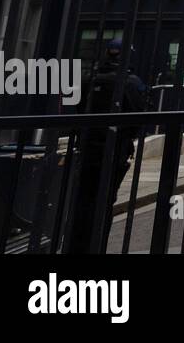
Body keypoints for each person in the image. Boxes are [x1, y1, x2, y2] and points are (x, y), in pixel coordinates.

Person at [65, 39, 149, 253]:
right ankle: (96, 246)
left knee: (81, 200)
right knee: (104, 200)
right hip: (114, 151)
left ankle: (75, 246)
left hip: (86, 148)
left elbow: (78, 110)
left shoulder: (89, 80)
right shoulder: (130, 83)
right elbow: (141, 119)